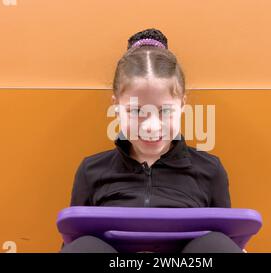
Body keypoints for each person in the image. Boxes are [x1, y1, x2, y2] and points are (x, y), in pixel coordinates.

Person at [60, 28, 243, 253]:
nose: (151, 126)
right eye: (136, 111)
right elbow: (74, 239)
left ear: (183, 105)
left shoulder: (210, 170)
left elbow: (224, 237)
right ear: (116, 107)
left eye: (165, 111)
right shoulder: (91, 170)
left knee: (216, 244)